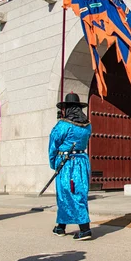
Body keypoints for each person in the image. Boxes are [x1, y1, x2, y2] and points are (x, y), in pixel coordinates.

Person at [48, 92, 92, 241]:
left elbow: (53, 144)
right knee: (76, 192)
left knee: (68, 193)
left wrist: (54, 162)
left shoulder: (63, 125)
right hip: (82, 161)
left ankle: (85, 228)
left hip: (67, 163)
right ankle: (61, 226)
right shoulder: (87, 126)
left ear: (67, 108)